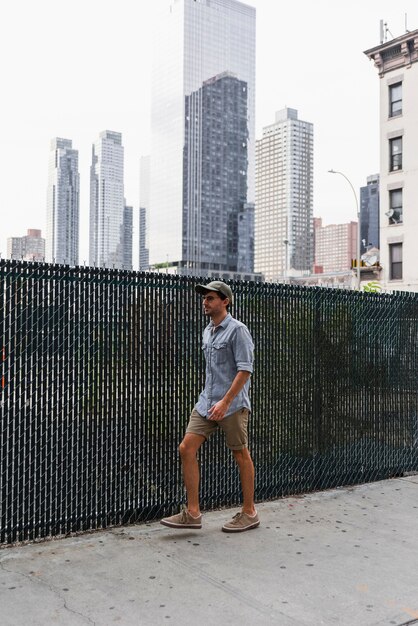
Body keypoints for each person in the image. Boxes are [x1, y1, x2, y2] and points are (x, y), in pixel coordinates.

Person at [161, 280, 259, 533]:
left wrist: (226, 402)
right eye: (204, 299)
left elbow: (245, 369)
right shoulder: (207, 331)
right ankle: (193, 513)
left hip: (233, 405)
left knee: (240, 454)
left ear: (225, 301)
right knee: (186, 447)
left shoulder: (238, 330)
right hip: (207, 402)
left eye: (211, 298)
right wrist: (212, 401)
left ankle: (250, 513)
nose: (205, 302)